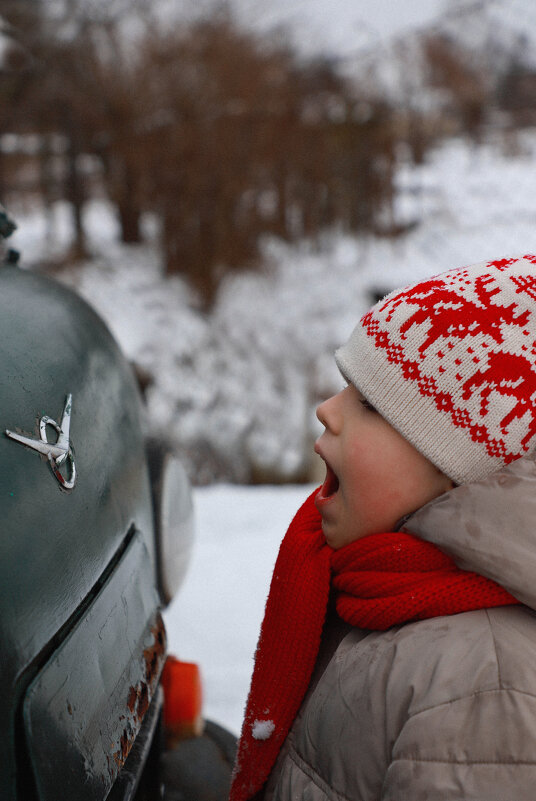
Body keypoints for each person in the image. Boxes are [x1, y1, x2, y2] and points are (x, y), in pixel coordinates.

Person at [229, 255, 536, 801]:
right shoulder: (375, 588)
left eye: (370, 405)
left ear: (460, 471)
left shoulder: (484, 689)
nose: (327, 409)